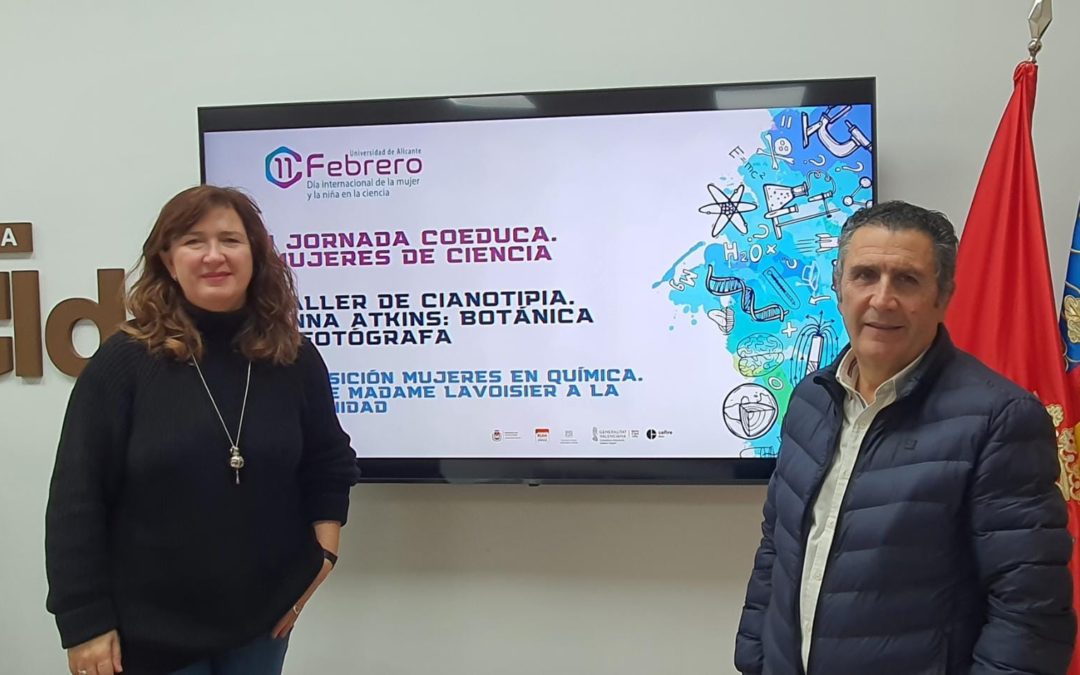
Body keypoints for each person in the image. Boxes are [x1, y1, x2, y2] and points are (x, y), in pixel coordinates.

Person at [734, 201, 1075, 674]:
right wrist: (755, 658)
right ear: (839, 287)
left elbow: (1030, 610)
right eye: (865, 275)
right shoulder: (810, 400)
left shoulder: (1000, 420)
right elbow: (779, 546)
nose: (882, 299)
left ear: (943, 296)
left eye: (907, 280)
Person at [45, 185, 360, 675]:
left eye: (230, 240)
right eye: (194, 241)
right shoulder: (123, 362)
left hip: (261, 625)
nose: (214, 255)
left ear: (256, 255)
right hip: (145, 633)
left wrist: (322, 561)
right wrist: (83, 622)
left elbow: (328, 464)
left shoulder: (294, 358)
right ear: (169, 261)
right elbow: (77, 497)